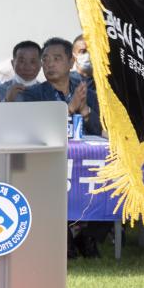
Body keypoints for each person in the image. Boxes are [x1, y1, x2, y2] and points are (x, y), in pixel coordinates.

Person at [21, 38, 105, 258]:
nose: (49, 64)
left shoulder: (89, 94)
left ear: (70, 62)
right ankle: (65, 235)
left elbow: (101, 132)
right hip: (47, 165)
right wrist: (69, 109)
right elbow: (33, 131)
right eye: (45, 59)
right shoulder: (32, 96)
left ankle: (87, 235)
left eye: (57, 59)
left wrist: (85, 110)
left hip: (86, 163)